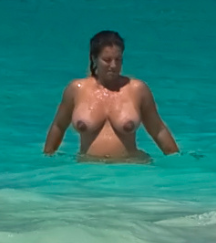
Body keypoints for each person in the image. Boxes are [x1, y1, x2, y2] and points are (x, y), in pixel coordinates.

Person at [43, 30, 180, 162]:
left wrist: (178, 162)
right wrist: (46, 159)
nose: (113, 65)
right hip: (88, 172)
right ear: (94, 59)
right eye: (107, 60)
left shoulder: (137, 89)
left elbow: (158, 130)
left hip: (131, 169)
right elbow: (58, 126)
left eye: (118, 59)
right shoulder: (76, 89)